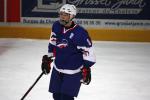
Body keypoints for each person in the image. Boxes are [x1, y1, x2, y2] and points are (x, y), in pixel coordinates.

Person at [41, 4, 96, 100]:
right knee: (56, 96)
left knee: (66, 98)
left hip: (73, 72)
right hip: (57, 68)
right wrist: (49, 58)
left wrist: (86, 68)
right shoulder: (56, 26)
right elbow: (53, 42)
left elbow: (90, 54)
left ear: (72, 16)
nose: (62, 16)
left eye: (65, 14)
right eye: (61, 14)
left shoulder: (80, 33)